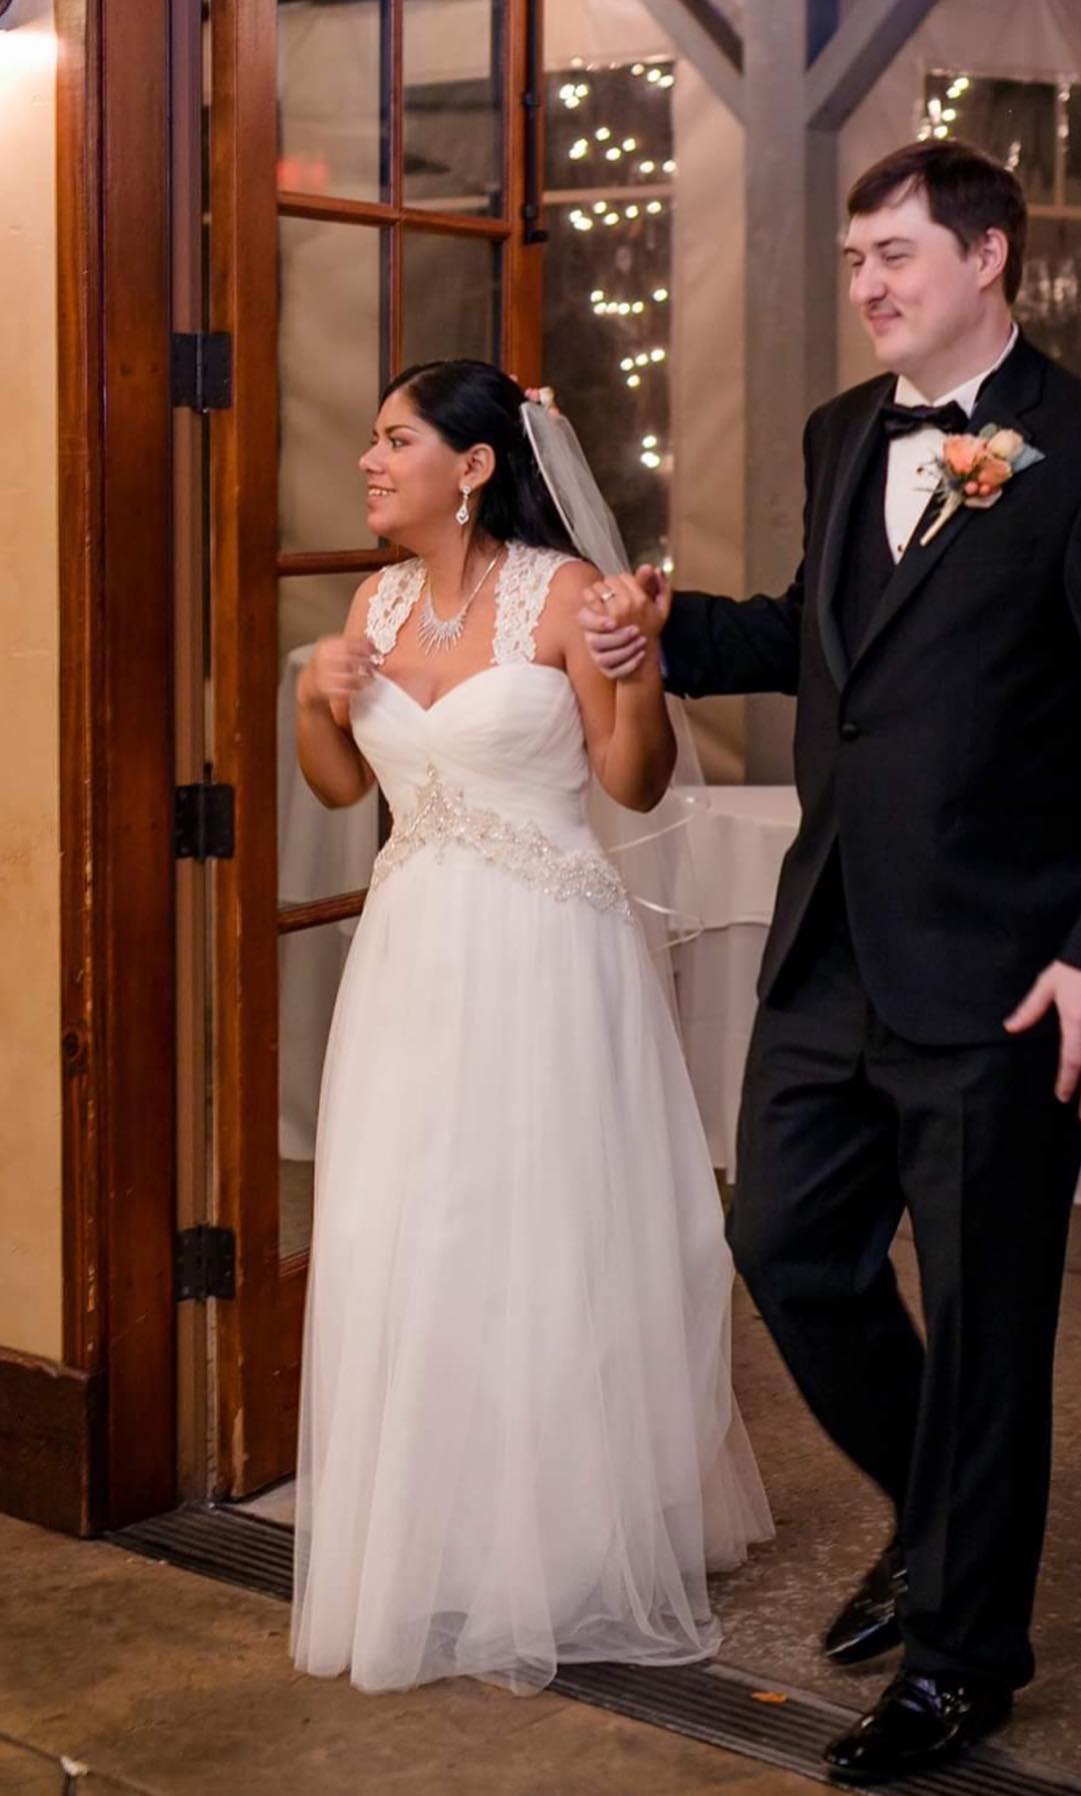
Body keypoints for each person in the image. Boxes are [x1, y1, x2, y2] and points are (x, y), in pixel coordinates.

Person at [582, 141, 1081, 1783]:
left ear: (988, 257)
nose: (867, 282)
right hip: (835, 945)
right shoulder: (843, 431)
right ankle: (940, 1525)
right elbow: (830, 638)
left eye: (897, 254)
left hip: (1009, 974)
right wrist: (672, 628)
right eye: (856, 257)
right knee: (787, 1249)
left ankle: (962, 1657)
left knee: (987, 1319)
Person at [288, 358, 772, 1697]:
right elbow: (340, 789)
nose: (371, 461)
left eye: (396, 440)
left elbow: (634, 778)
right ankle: (437, 1529)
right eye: (373, 439)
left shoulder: (565, 597)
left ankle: (563, 1541)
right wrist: (317, 696)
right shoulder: (373, 602)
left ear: (473, 465)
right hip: (412, 957)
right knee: (413, 1226)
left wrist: (635, 673)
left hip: (548, 952)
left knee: (546, 1230)